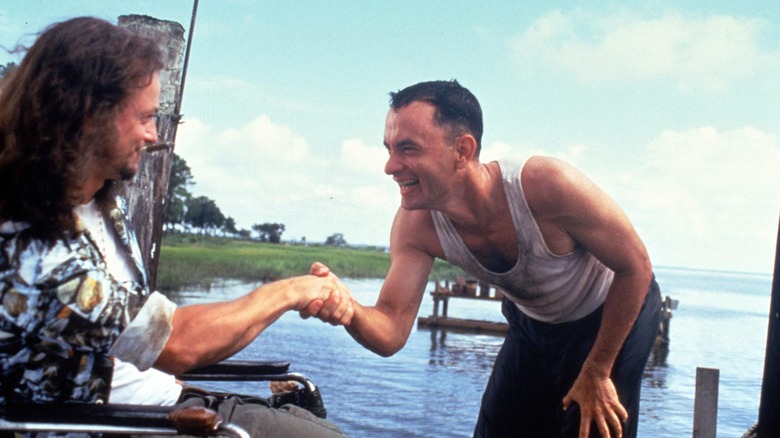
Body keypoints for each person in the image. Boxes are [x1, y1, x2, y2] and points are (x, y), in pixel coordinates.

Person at [0, 17, 352, 437]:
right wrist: (293, 291)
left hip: (160, 400)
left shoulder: (100, 201)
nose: (154, 135)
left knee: (308, 416)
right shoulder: (34, 249)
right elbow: (176, 343)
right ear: (88, 115)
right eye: (145, 117)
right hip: (106, 424)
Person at [307, 80, 661, 438]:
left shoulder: (544, 185)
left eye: (408, 149)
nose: (390, 166)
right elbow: (392, 329)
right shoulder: (416, 226)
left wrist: (599, 369)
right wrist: (349, 309)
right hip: (533, 323)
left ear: (461, 150)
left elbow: (635, 267)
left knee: (590, 425)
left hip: (613, 312)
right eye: (389, 149)